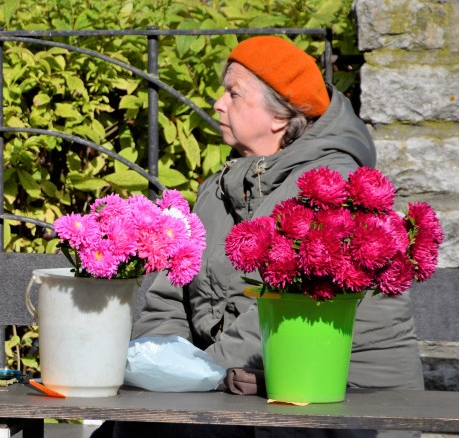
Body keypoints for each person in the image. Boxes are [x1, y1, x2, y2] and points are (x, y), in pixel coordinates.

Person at [96, 36, 424, 438]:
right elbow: (172, 296)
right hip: (242, 386)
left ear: (280, 117)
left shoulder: (333, 187)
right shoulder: (217, 190)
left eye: (234, 93)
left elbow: (292, 310)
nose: (218, 103)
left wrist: (199, 375)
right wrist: (158, 364)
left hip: (339, 399)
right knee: (129, 426)